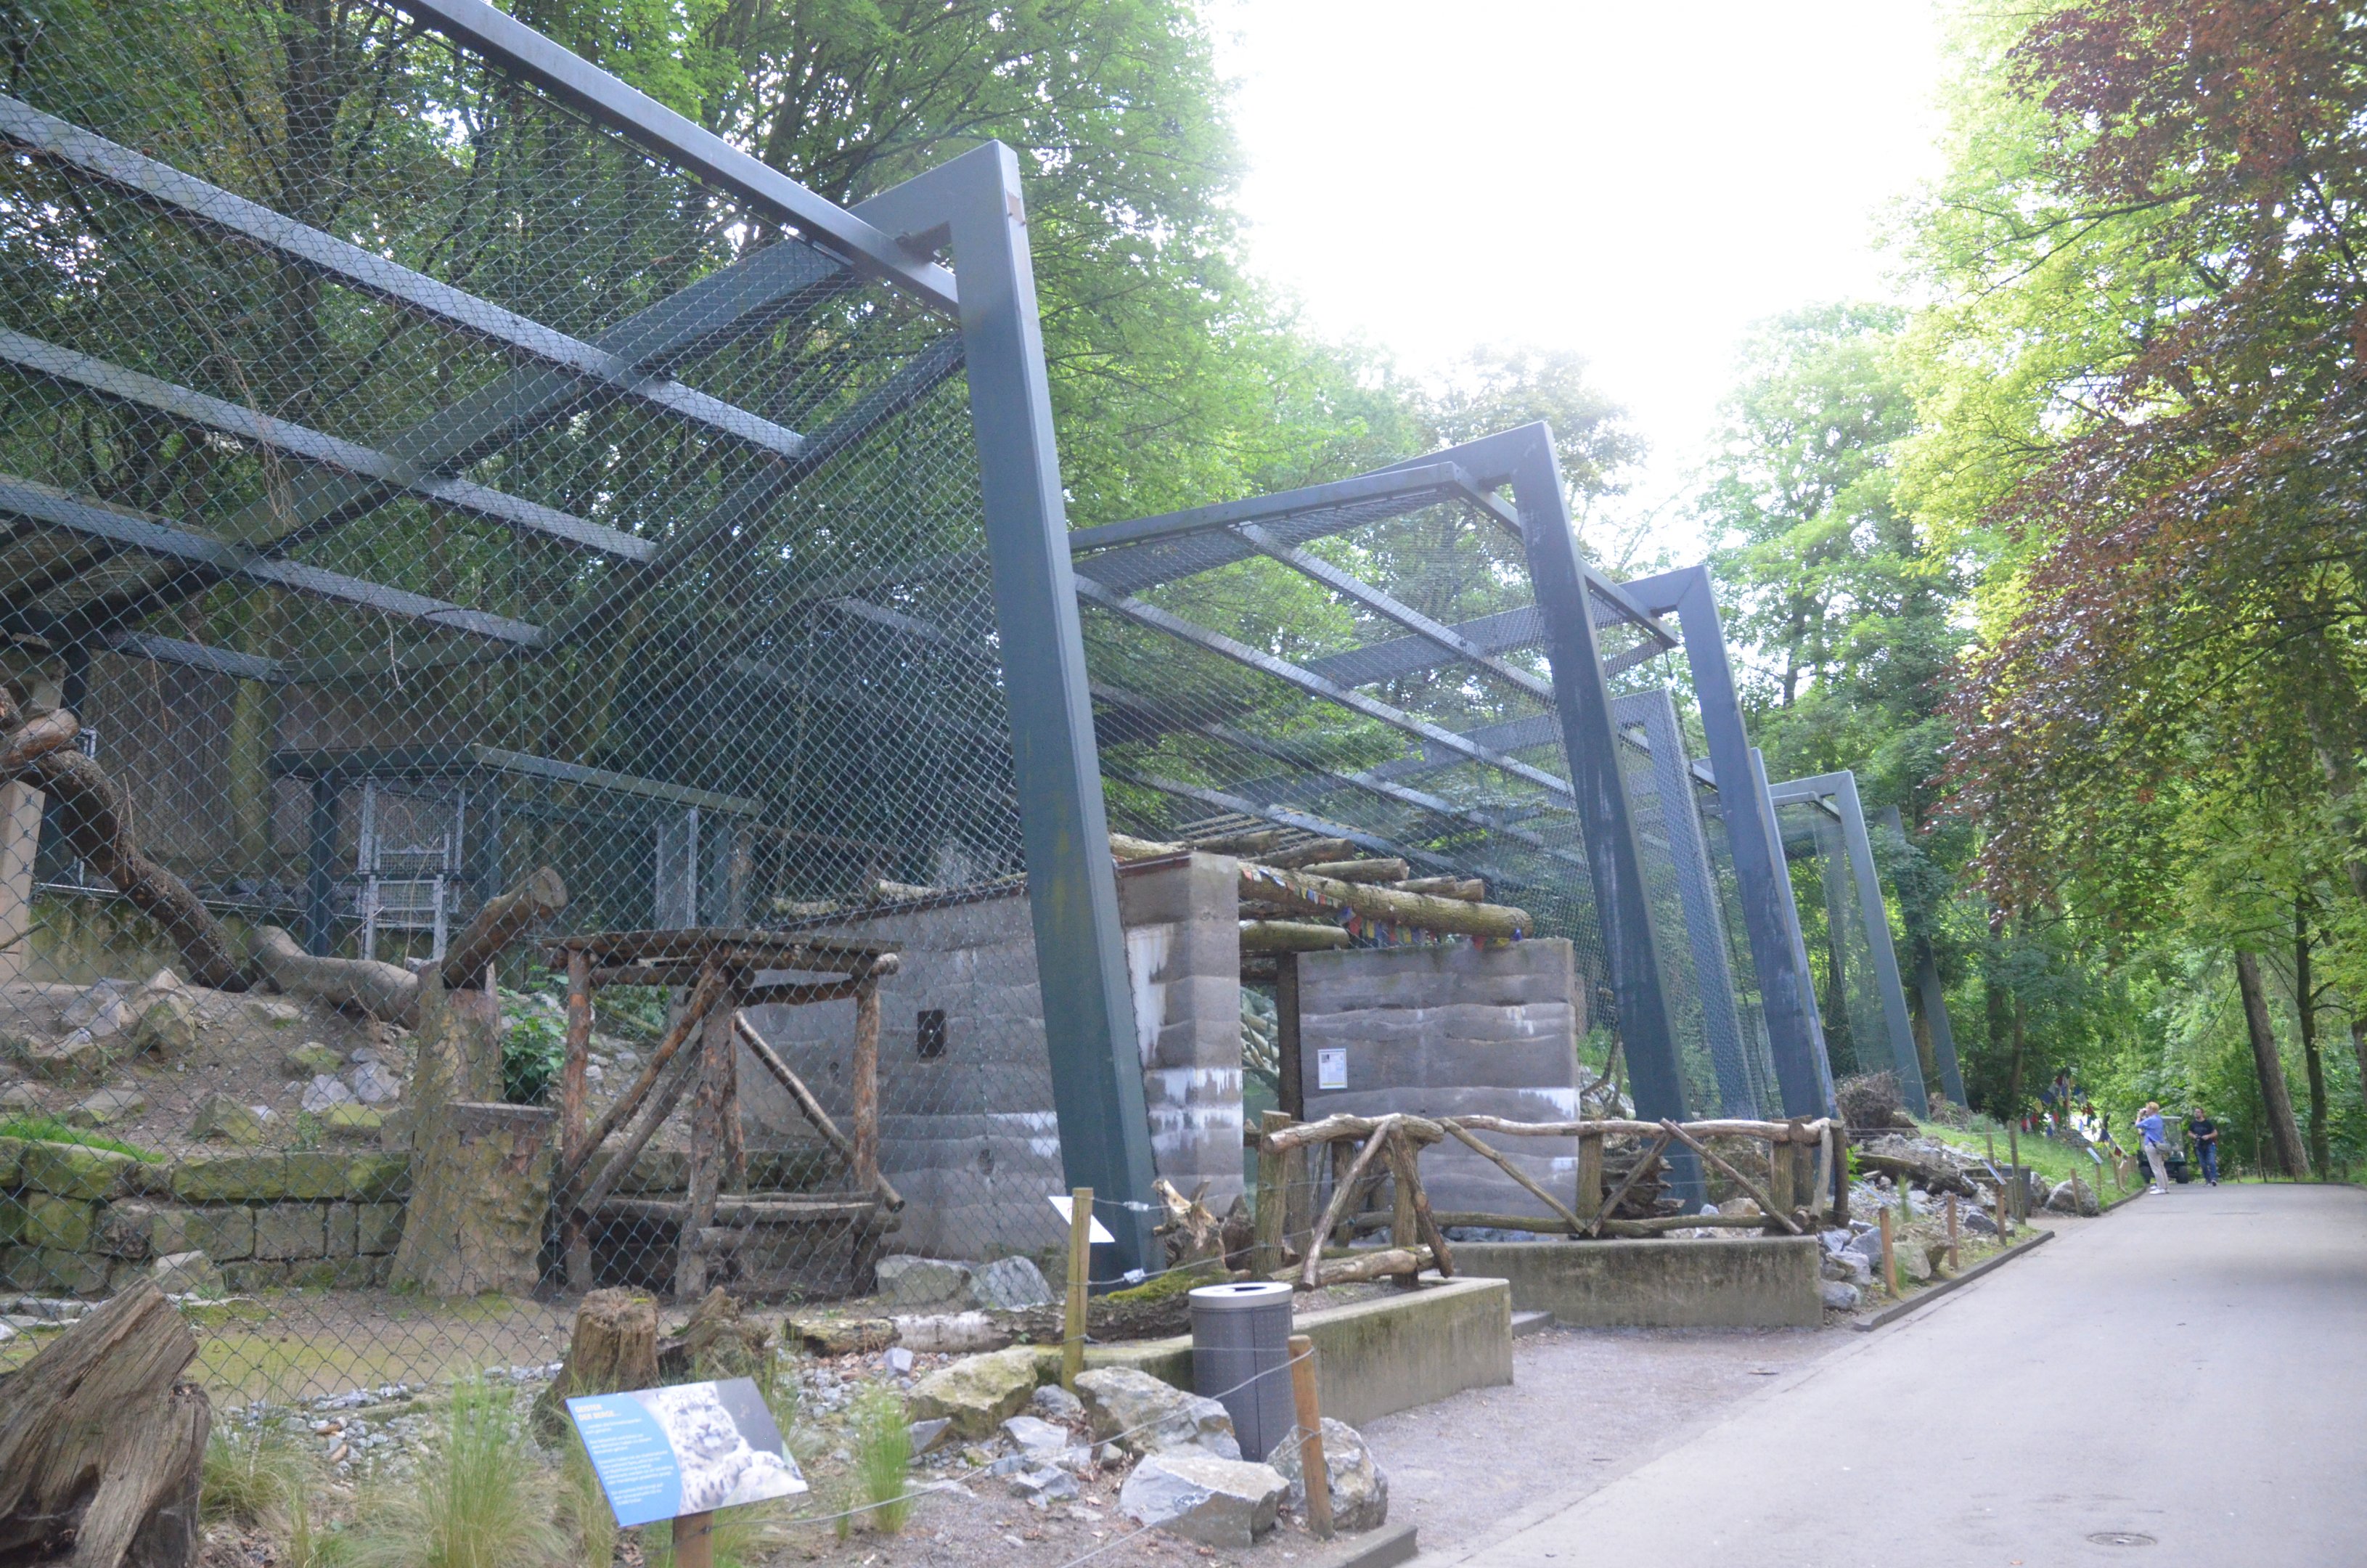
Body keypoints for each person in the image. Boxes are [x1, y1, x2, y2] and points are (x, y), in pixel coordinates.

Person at [2135, 1101, 2170, 1193]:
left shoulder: (2151, 1120)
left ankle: (2161, 1188)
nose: (2146, 1110)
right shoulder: (2158, 1119)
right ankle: (2165, 1187)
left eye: (2147, 1108)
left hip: (2151, 1145)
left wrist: (2139, 1116)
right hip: (2159, 1145)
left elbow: (2137, 1125)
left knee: (2155, 1168)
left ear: (2152, 1109)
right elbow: (2148, 1128)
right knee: (2161, 1167)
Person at [2186, 1107, 2220, 1186]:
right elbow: (2189, 1133)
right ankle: (2208, 1180)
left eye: (2198, 1112)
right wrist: (2194, 1136)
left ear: (2202, 1113)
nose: (2196, 1113)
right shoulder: (2193, 1124)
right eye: (2195, 1112)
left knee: (2211, 1162)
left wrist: (2208, 1136)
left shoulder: (2208, 1123)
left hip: (2208, 1145)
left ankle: (2214, 1178)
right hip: (2199, 1146)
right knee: (2203, 1164)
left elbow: (2215, 1133)